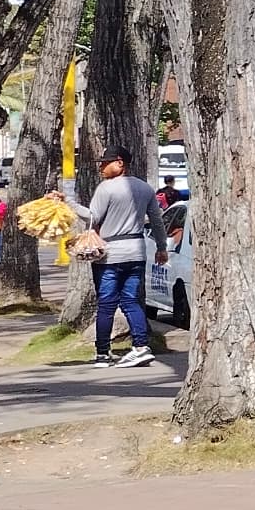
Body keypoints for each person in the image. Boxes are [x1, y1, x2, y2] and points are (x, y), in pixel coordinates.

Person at [83, 148, 166, 368]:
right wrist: (161, 247)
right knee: (131, 300)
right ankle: (141, 346)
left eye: (105, 163)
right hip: (136, 251)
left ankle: (102, 353)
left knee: (107, 304)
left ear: (120, 163)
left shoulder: (106, 188)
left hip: (110, 253)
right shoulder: (145, 188)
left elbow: (93, 217)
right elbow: (157, 221)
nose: (101, 167)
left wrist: (68, 204)